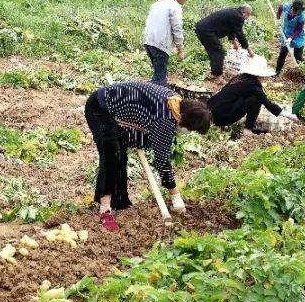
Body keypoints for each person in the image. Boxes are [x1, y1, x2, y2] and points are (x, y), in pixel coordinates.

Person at [84, 81, 212, 232]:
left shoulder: (175, 102)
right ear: (188, 121)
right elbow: (162, 160)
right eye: (192, 129)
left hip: (120, 111)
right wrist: (175, 195)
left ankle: (119, 202)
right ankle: (105, 208)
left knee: (121, 155)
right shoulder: (164, 119)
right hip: (100, 108)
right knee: (112, 154)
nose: (189, 132)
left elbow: (148, 124)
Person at [206, 56, 298, 134]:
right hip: (221, 118)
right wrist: (289, 115)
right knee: (256, 100)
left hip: (211, 110)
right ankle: (248, 130)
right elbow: (268, 104)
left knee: (247, 98)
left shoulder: (239, 77)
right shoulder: (254, 86)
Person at [142, 0, 190, 86]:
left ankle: (153, 93)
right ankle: (156, 99)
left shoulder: (158, 3)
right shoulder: (175, 6)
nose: (186, 1)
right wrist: (180, 48)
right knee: (160, 79)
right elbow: (177, 29)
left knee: (158, 72)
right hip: (160, 44)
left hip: (148, 41)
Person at [195, 5, 254, 84]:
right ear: (244, 12)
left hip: (202, 28)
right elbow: (240, 34)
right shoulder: (239, 17)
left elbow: (231, 28)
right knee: (218, 52)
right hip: (207, 31)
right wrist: (249, 50)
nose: (247, 18)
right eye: (248, 15)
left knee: (214, 52)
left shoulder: (234, 13)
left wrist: (234, 43)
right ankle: (218, 77)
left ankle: (214, 73)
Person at [275, 0, 305, 77]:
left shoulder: (302, 17)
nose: (295, 13)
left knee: (298, 57)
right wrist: (278, 18)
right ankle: (277, 72)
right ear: (292, 7)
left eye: (297, 12)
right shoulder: (287, 6)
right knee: (282, 54)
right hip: (286, 33)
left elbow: (299, 30)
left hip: (298, 36)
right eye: (294, 11)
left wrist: (291, 38)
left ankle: (304, 70)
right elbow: (280, 7)